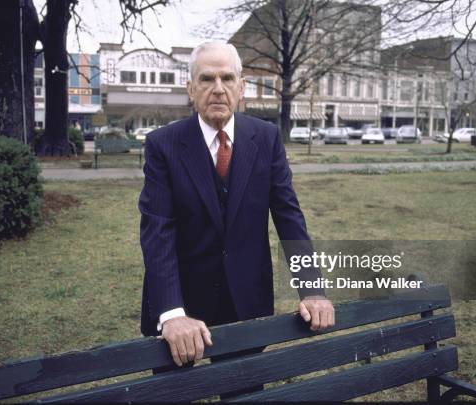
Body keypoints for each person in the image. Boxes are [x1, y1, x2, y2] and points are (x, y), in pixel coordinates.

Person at [138, 41, 334, 375]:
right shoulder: (163, 145)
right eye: (207, 79)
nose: (218, 89)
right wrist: (172, 313)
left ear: (241, 87)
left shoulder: (266, 138)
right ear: (190, 88)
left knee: (245, 394)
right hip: (182, 311)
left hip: (247, 302)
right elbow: (157, 231)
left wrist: (312, 288)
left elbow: (288, 217)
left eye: (227, 78)